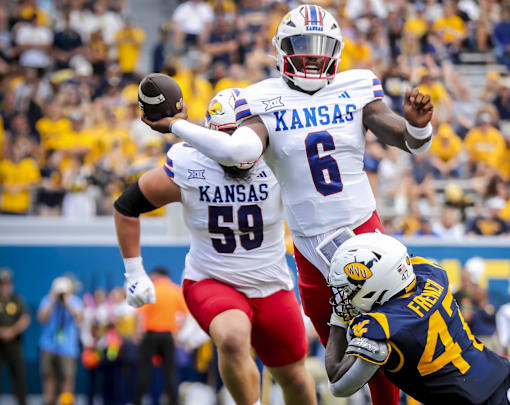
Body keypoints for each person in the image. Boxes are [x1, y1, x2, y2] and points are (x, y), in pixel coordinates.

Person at [142, 5, 434, 405]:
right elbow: (240, 153)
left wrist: (419, 125)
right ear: (281, 48)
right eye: (303, 44)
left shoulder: (358, 86)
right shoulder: (262, 97)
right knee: (336, 367)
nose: (313, 55)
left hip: (361, 231)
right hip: (308, 247)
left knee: (376, 333)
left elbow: (410, 141)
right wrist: (176, 126)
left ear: (337, 50)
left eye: (321, 46)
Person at [114, 90, 316, 405]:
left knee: (294, 377)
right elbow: (127, 207)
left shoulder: (281, 160)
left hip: (272, 284)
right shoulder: (189, 163)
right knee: (233, 338)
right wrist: (134, 272)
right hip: (212, 279)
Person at [323, 233, 510, 405]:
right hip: (509, 375)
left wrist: (339, 319)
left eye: (348, 290)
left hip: (482, 402)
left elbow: (339, 384)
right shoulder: (431, 275)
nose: (344, 298)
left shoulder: (382, 328)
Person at [131, 267, 187, 405]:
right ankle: (174, 402)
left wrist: (137, 332)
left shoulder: (149, 289)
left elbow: (139, 314)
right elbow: (185, 314)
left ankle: (138, 401)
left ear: (155, 275)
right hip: (168, 336)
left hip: (150, 335)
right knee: (170, 373)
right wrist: (177, 331)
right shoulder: (175, 290)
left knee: (144, 371)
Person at [37, 276, 83, 405]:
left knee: (67, 378)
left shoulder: (74, 301)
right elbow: (41, 318)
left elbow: (79, 317)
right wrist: (52, 299)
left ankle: (66, 403)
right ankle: (49, 401)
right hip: (48, 346)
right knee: (48, 377)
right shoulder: (48, 300)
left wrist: (67, 301)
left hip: (68, 348)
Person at [0, 269, 29, 405]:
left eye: (6, 284)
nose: (4, 287)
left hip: (14, 344)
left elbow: (25, 318)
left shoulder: (17, 299)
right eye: (1, 284)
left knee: (18, 375)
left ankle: (22, 402)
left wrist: (12, 331)